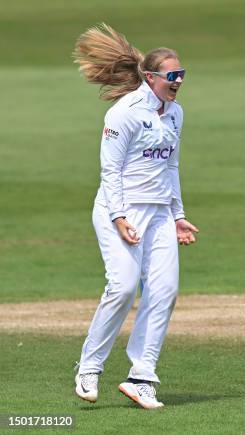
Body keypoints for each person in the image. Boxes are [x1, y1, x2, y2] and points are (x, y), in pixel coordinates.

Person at [72, 24, 199, 409]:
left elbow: (171, 167)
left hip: (160, 214)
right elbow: (109, 172)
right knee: (124, 287)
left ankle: (142, 377)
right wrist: (117, 216)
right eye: (172, 76)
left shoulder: (175, 114)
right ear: (151, 77)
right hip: (120, 211)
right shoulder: (123, 113)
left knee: (164, 292)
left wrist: (178, 215)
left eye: (182, 75)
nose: (178, 82)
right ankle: (89, 367)